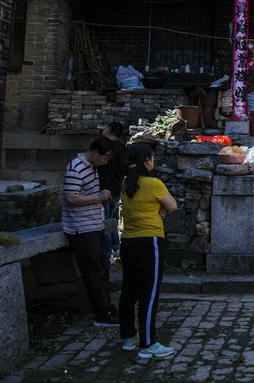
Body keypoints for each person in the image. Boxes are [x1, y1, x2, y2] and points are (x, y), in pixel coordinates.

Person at [118, 142, 178, 359]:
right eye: (151, 158)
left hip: (128, 241)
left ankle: (128, 336)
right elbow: (172, 206)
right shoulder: (153, 184)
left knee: (128, 290)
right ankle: (148, 343)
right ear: (147, 161)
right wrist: (160, 209)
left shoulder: (126, 184)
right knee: (149, 293)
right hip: (149, 241)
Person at [62, 136, 119, 326]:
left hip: (95, 225)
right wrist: (97, 197)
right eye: (104, 158)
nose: (105, 162)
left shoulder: (91, 169)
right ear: (95, 152)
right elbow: (71, 197)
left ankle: (107, 307)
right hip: (82, 229)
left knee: (103, 268)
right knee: (93, 272)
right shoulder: (75, 168)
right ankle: (102, 314)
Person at [97, 121, 128, 262]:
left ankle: (108, 252)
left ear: (108, 129)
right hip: (116, 189)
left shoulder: (102, 146)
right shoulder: (123, 149)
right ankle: (118, 248)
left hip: (103, 189)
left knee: (104, 222)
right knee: (111, 220)